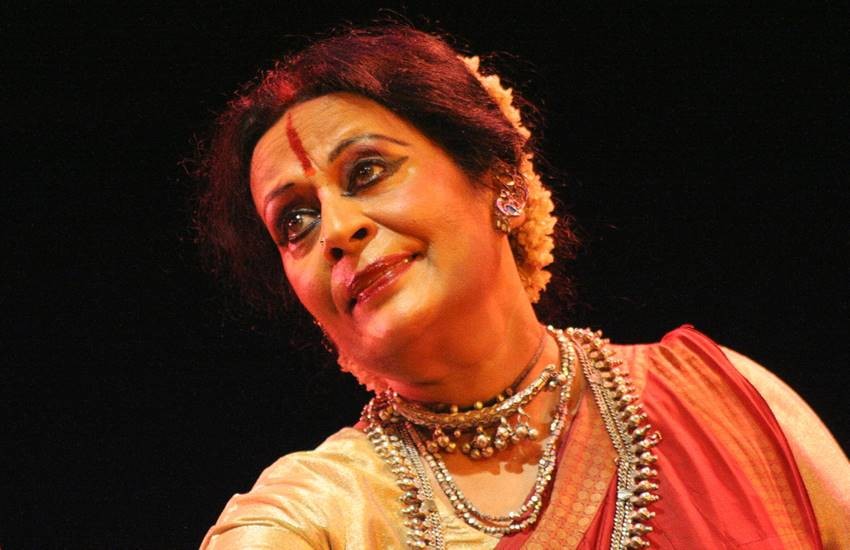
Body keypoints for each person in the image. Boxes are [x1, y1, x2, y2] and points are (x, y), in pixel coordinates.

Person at [195, 26, 849, 549]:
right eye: (296, 221)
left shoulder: (726, 403)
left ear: (498, 179)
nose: (337, 229)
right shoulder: (312, 515)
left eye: (367, 171)